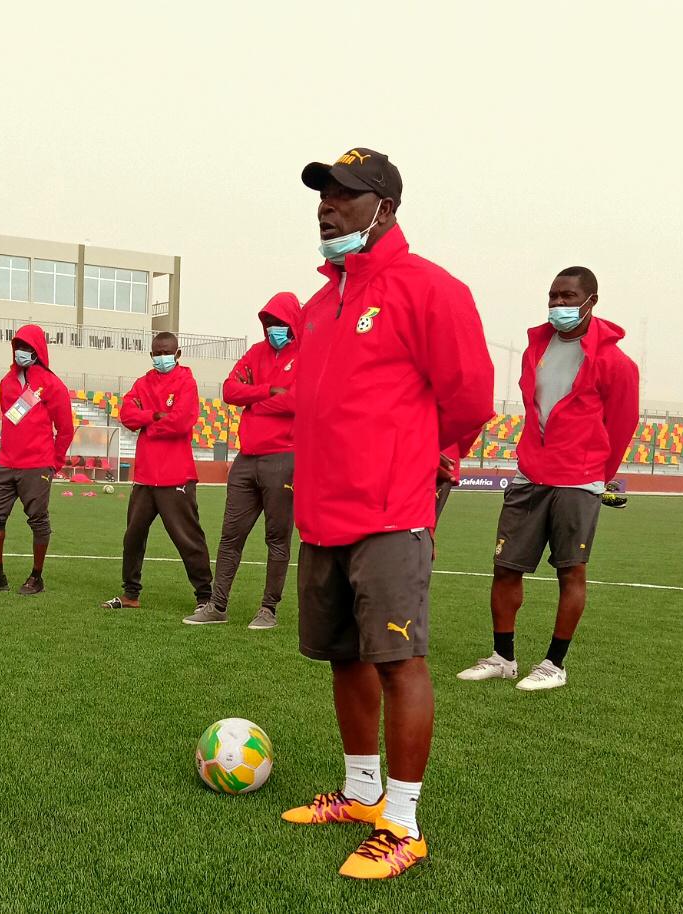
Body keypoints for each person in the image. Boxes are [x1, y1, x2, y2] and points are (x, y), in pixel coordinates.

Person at [282, 147, 494, 879]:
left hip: (390, 512)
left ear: (386, 208)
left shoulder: (430, 289)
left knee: (399, 660)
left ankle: (402, 823)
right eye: (323, 194)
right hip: (322, 514)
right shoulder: (316, 305)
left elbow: (468, 398)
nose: (326, 206)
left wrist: (422, 463)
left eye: (345, 194)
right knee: (345, 655)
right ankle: (361, 791)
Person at [458, 267, 639, 690]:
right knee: (505, 567)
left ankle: (554, 665)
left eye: (568, 296)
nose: (558, 304)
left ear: (591, 300)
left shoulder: (615, 361)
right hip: (529, 474)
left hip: (578, 479)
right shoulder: (535, 348)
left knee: (570, 571)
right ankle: (503, 656)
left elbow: (624, 424)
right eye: (553, 296)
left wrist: (597, 473)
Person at [183, 292, 300, 630]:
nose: (274, 329)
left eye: (280, 323)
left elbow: (298, 401)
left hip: (283, 458)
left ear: (292, 323)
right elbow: (229, 390)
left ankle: (268, 610)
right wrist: (267, 391)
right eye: (269, 323)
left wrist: (256, 398)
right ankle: (217, 605)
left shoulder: (306, 355)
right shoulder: (256, 352)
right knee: (230, 536)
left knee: (277, 538)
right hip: (246, 458)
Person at [102, 332, 213, 613]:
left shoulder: (187, 382)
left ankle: (205, 596)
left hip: (176, 476)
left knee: (187, 538)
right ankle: (130, 594)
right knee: (133, 537)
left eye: (166, 352)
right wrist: (154, 415)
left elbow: (182, 422)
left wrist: (146, 420)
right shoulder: (143, 383)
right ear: (151, 355)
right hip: (145, 477)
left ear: (178, 353)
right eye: (156, 353)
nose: (161, 357)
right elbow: (126, 415)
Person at [0, 324, 74, 596]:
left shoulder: (52, 385)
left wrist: (55, 463)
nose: (21, 352)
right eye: (18, 346)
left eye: (27, 347)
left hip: (37, 465)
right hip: (6, 463)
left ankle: (36, 577)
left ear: (38, 350)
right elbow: (11, 418)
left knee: (38, 520)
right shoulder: (6, 383)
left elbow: (65, 429)